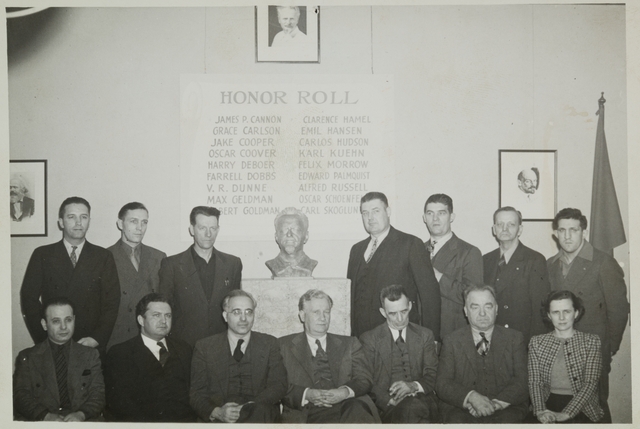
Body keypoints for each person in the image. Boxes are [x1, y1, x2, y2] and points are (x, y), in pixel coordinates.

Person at [547, 208, 629, 422]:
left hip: (592, 355)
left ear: (583, 231)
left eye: (573, 230)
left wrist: (607, 349)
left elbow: (618, 311)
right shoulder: (550, 265)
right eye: (562, 230)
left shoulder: (603, 263)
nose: (567, 236)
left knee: (594, 413)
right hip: (558, 356)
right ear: (555, 233)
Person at [20, 197, 120, 355]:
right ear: (61, 222)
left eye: (84, 217)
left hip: (90, 343)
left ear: (89, 221)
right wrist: (44, 338)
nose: (78, 222)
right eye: (71, 217)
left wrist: (97, 338)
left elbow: (112, 302)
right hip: (52, 341)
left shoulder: (103, 256)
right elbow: (28, 298)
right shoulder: (43, 254)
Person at [347, 191, 440, 339]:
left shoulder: (410, 244)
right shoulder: (356, 250)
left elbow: (430, 296)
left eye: (375, 211)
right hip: (361, 341)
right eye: (365, 213)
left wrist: (431, 339)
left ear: (388, 211)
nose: (370, 218)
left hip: (399, 340)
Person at [279, 289, 379, 423]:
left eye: (326, 312)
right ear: (302, 316)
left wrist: (344, 392)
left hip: (348, 408)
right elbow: (276, 385)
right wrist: (306, 394)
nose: (322, 318)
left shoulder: (350, 343)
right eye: (316, 312)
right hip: (307, 413)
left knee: (357, 410)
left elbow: (364, 379)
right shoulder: (283, 346)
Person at [436, 284, 529, 423]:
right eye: (475, 307)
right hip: (463, 410)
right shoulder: (451, 340)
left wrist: (496, 404)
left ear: (496, 309)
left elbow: (522, 381)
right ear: (466, 311)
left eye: (488, 306)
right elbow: (442, 383)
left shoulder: (515, 338)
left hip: (505, 408)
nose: (482, 313)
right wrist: (472, 398)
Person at [190, 290, 287, 423]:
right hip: (220, 420)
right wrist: (218, 412)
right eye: (236, 312)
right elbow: (196, 394)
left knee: (262, 412)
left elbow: (279, 385)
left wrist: (249, 407)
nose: (243, 318)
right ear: (225, 316)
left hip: (260, 417)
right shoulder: (205, 347)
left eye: (248, 312)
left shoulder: (269, 343)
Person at [104, 293, 196, 422]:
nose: (164, 321)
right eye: (156, 315)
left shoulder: (184, 349)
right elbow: (119, 403)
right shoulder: (120, 353)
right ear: (141, 320)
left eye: (168, 316)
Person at [158, 206, 242, 347]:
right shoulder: (171, 265)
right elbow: (165, 308)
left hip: (221, 345)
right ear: (192, 229)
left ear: (218, 229)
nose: (208, 234)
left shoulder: (232, 264)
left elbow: (235, 308)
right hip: (184, 346)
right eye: (202, 228)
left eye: (213, 228)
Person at [13, 298, 105, 421]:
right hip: (42, 420)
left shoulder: (90, 355)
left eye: (68, 320)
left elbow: (98, 394)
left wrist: (81, 414)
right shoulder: (28, 357)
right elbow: (21, 395)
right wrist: (45, 416)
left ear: (74, 320)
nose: (63, 327)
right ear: (44, 325)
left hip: (82, 420)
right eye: (56, 321)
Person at [360, 284, 439, 423]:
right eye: (393, 313)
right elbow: (366, 380)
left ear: (410, 306)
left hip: (422, 401)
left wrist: (413, 386)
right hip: (389, 407)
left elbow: (433, 374)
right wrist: (388, 400)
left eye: (403, 311)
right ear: (383, 312)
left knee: (413, 408)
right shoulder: (370, 339)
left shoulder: (425, 335)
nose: (400, 319)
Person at [528, 290, 603, 423]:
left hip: (582, 405)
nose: (561, 318)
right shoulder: (537, 342)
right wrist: (540, 410)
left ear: (576, 313)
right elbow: (535, 382)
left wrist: (566, 414)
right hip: (547, 402)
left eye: (566, 311)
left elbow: (590, 383)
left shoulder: (591, 341)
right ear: (549, 315)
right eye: (556, 312)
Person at [483, 206, 550, 343]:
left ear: (520, 229)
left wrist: (535, 345)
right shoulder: (486, 260)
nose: (505, 229)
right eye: (500, 224)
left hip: (520, 338)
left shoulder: (534, 260)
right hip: (492, 337)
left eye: (511, 224)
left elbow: (540, 309)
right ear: (494, 229)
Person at [107, 202, 166, 350]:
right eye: (133, 221)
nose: (140, 228)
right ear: (120, 224)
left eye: (144, 222)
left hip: (150, 337)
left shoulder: (158, 257)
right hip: (118, 339)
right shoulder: (105, 257)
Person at [423, 193, 483, 338]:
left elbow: (473, 298)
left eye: (441, 213)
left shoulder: (469, 252)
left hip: (453, 334)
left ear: (452, 217)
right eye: (430, 213)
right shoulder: (417, 250)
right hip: (422, 334)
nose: (435, 219)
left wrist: (439, 277)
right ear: (424, 218)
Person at [265, 207, 318, 277]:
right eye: (284, 229)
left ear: (306, 236)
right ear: (276, 236)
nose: (289, 234)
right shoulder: (273, 264)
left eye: (295, 229)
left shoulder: (310, 264)